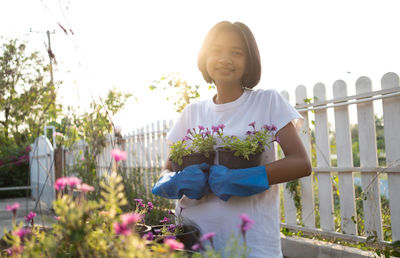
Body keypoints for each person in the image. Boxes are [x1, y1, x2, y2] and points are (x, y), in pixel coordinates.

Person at [152, 21, 311, 257]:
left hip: (251, 245)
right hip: (194, 243)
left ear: (249, 61)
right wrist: (175, 180)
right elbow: (166, 170)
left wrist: (244, 177)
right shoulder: (191, 112)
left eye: (236, 52)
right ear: (204, 57)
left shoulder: (267, 102)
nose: (225, 59)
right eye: (216, 51)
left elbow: (301, 163)